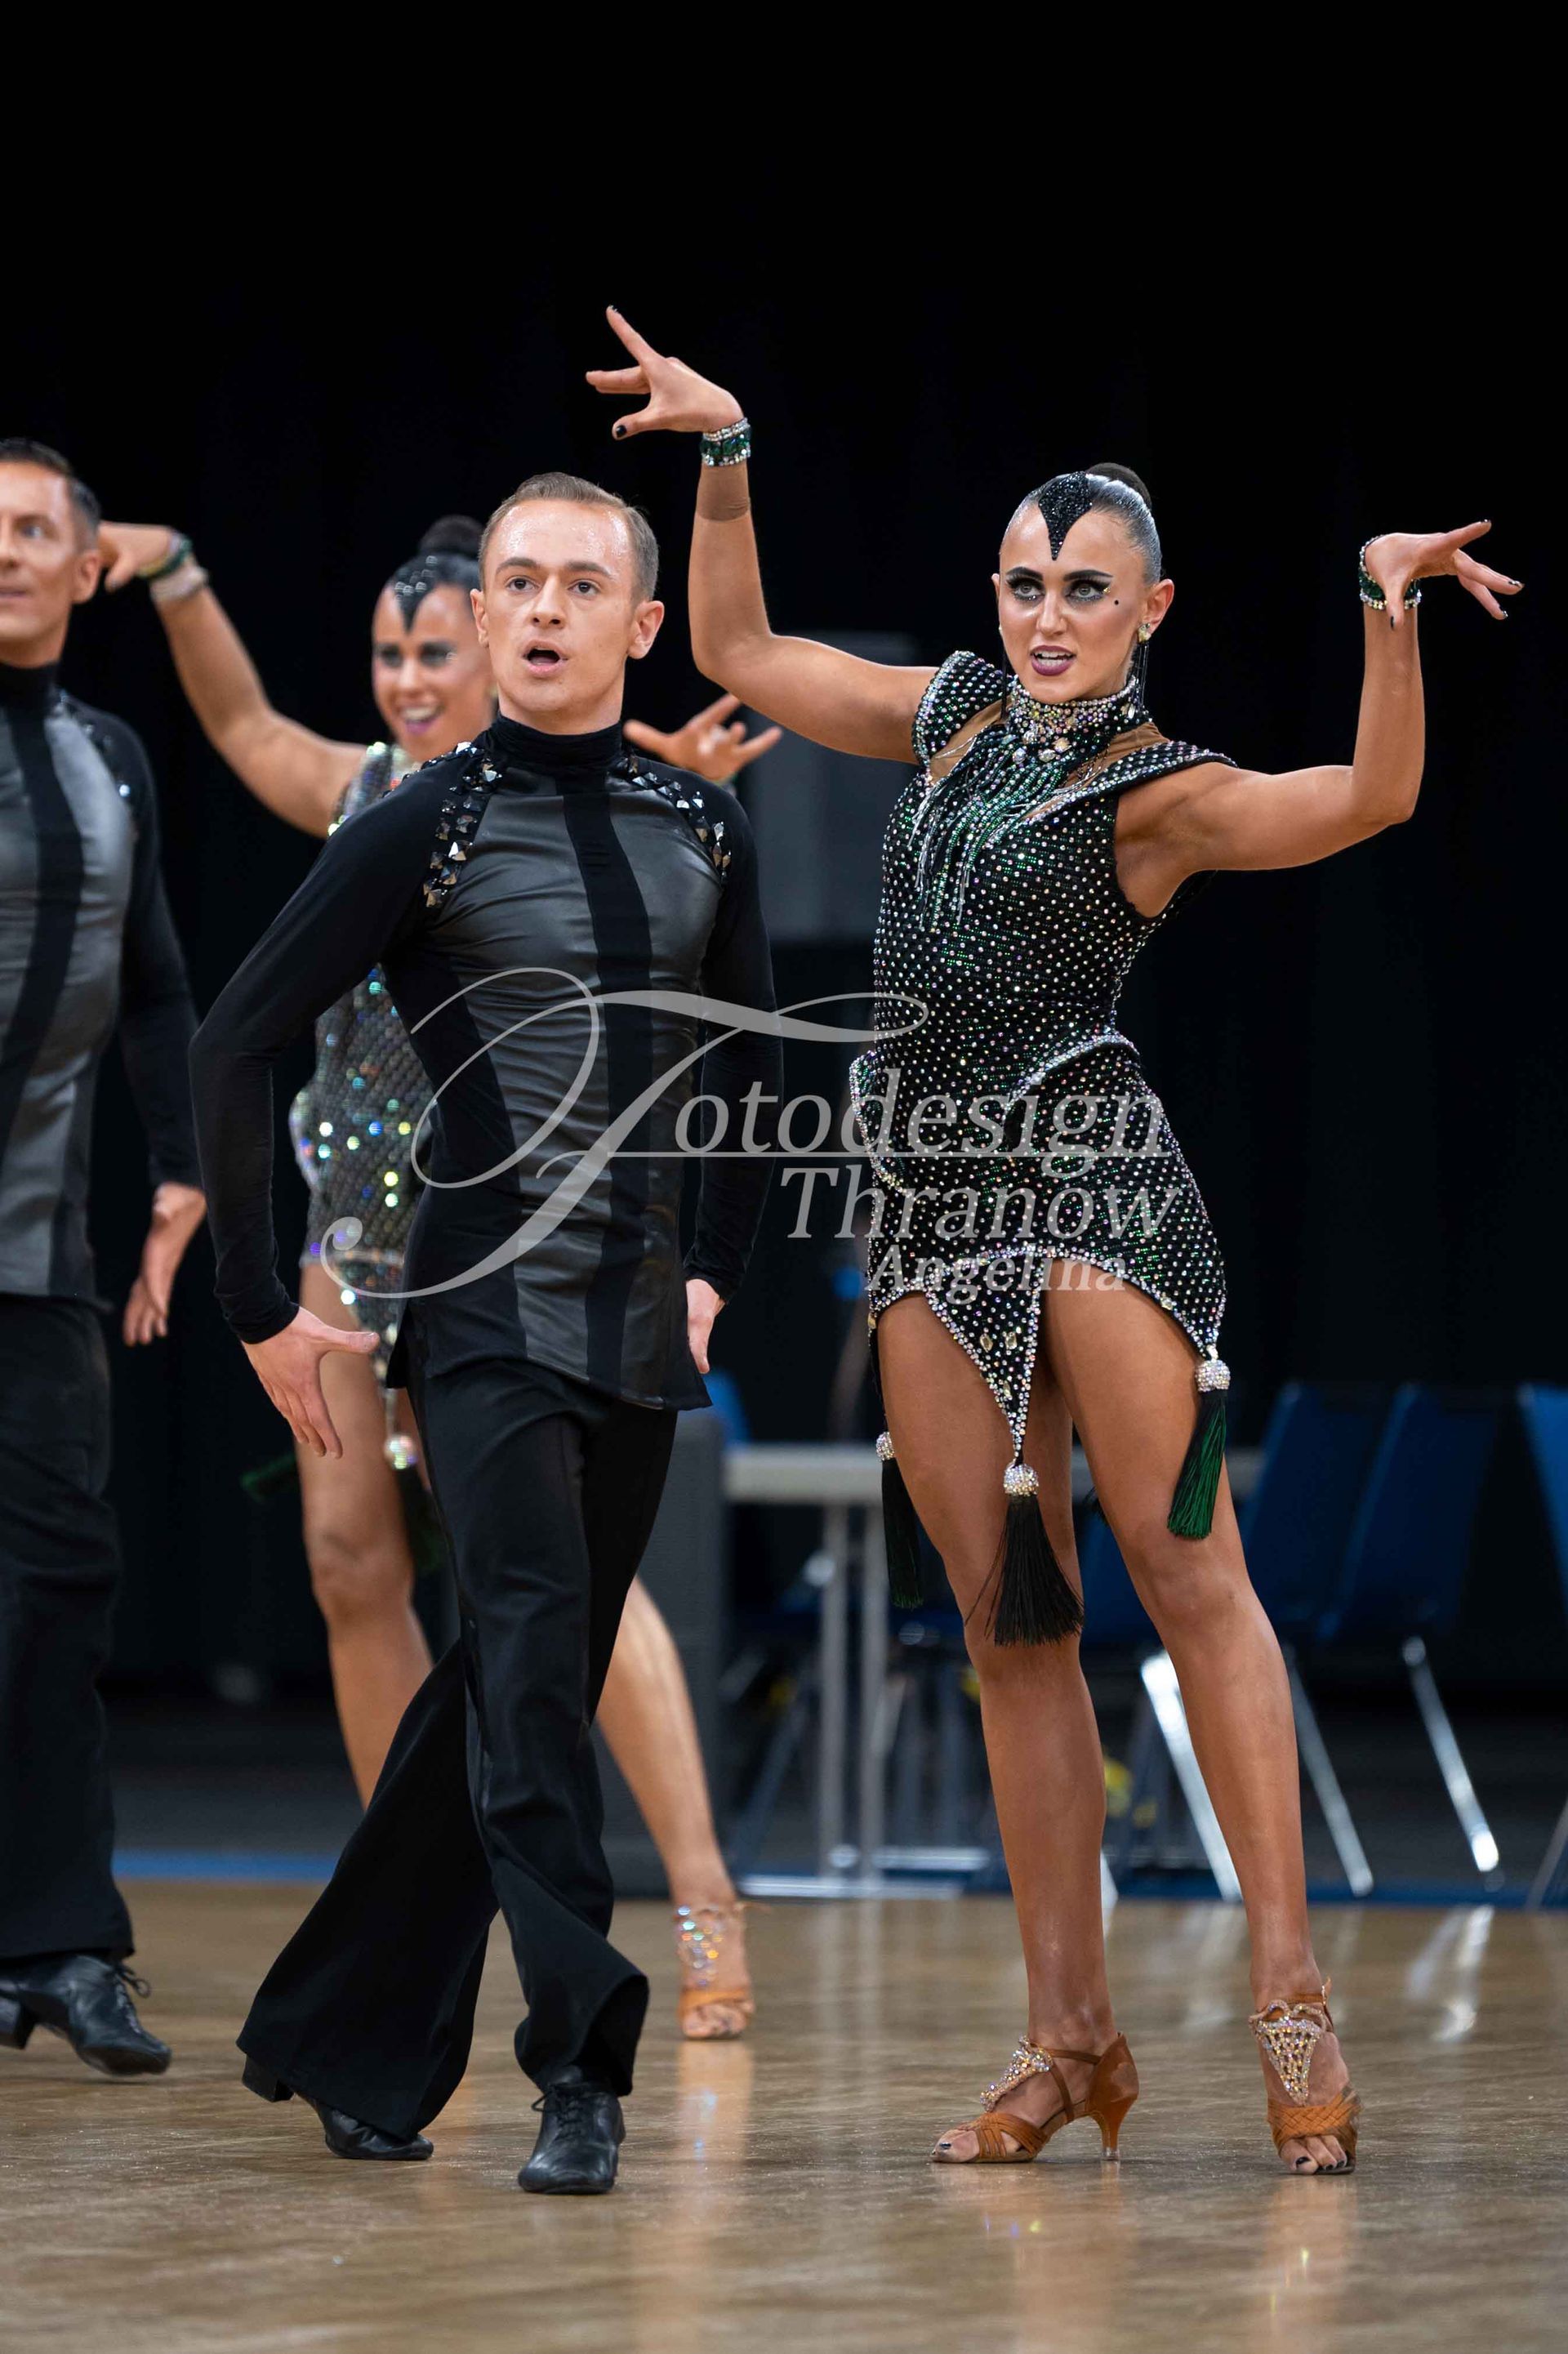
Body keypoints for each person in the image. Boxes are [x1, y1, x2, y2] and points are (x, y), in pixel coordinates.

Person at [586, 308, 1520, 2176]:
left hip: (1090, 1178)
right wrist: (729, 452)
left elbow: (1373, 798)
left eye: (1083, 589)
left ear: (1150, 608)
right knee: (1013, 1620)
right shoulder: (948, 717)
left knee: (1190, 1579)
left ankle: (1290, 1990)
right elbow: (740, 650)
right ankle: (1070, 2035)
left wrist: (1383, 606)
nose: (1044, 615)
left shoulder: (1154, 792)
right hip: (929, 1203)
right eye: (1023, 582)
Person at [96, 510, 777, 2037]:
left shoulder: (608, 796)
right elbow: (239, 726)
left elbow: (716, 1013)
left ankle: (701, 1891)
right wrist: (183, 576)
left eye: (430, 650)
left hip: (542, 1238)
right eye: (390, 653)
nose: (410, 679)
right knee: (360, 1566)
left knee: (561, 1598)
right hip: (364, 1234)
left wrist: (712, 1259)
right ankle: (419, 1915)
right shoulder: (374, 801)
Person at [0, 441, 207, 2078]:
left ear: (86, 569)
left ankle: (61, 1941)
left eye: (30, 532)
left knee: (61, 1586)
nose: (2, 553)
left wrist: (185, 1170)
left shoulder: (109, 755)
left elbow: (153, 986)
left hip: (36, 1255)